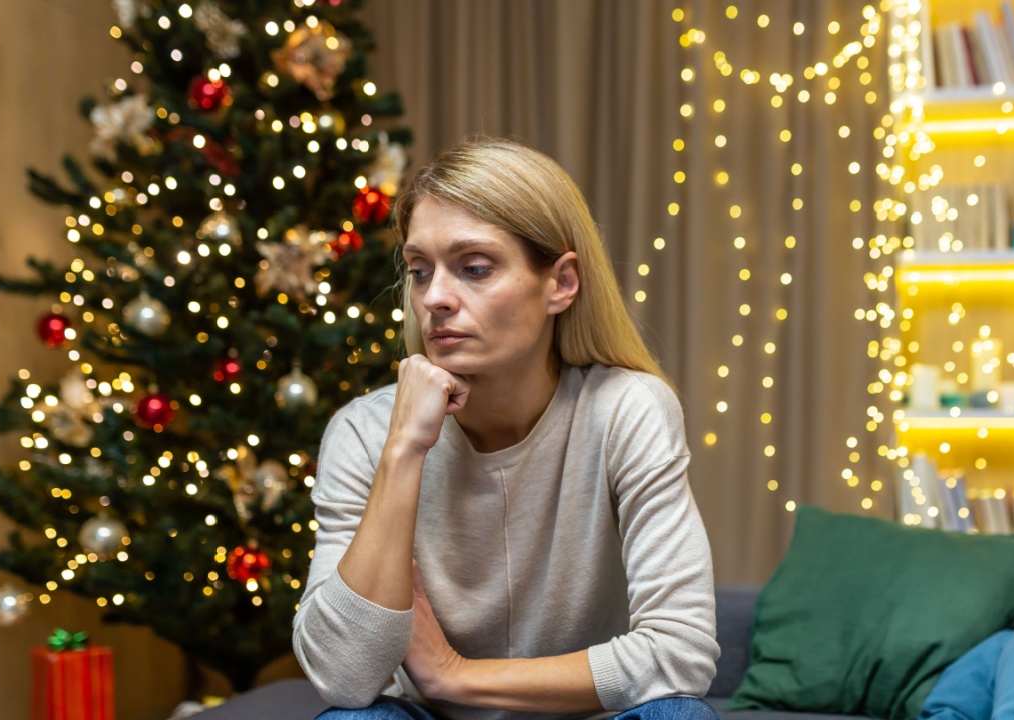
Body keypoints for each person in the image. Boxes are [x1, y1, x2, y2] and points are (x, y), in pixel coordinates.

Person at [292, 138, 720, 720]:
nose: (435, 298)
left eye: (474, 268)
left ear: (561, 283)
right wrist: (403, 451)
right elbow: (343, 678)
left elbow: (680, 654)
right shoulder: (365, 433)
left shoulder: (627, 408)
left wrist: (456, 677)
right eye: (419, 271)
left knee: (678, 718)